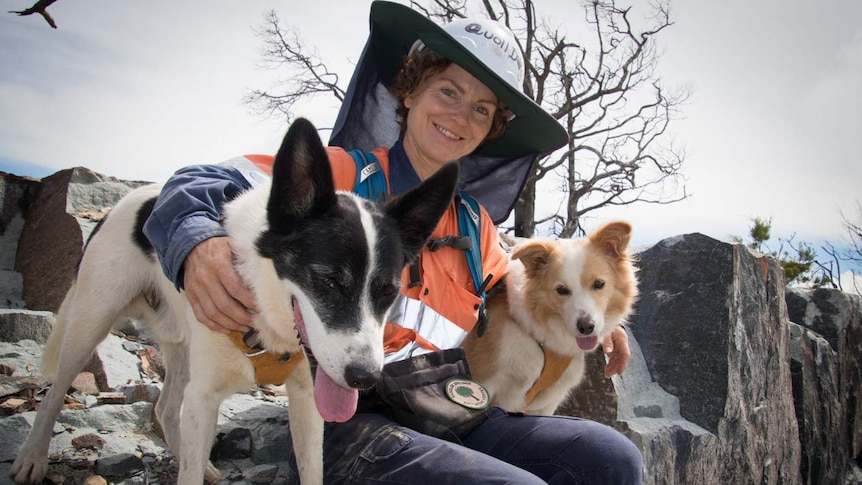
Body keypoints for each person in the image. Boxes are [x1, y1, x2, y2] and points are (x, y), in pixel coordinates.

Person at [143, 2, 643, 483]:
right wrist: (197, 244)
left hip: (443, 405)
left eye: (482, 109)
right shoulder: (338, 180)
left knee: (613, 459)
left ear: (490, 129)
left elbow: (535, 285)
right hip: (350, 420)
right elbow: (201, 181)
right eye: (448, 91)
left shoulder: (475, 227)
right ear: (410, 91)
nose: (460, 116)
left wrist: (594, 314)